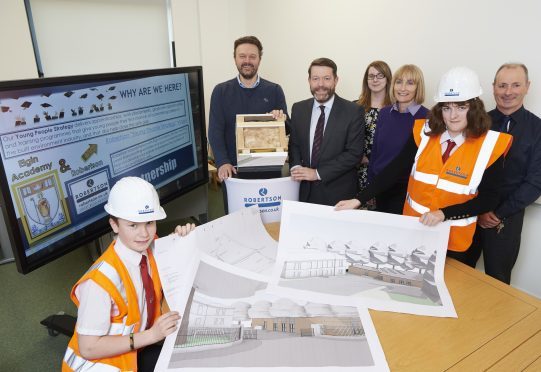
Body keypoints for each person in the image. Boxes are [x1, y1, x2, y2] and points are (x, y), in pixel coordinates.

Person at [336, 67, 513, 254]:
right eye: (447, 108)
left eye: (461, 107)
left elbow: (489, 199)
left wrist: (444, 214)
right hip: (415, 232)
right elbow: (393, 170)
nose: (453, 116)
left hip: (454, 242)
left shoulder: (491, 145)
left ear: (474, 109)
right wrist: (358, 199)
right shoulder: (424, 133)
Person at [62, 177, 196, 372]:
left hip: (137, 350)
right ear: (114, 225)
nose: (144, 234)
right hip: (104, 364)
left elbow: (171, 266)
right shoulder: (100, 283)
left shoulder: (149, 247)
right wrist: (151, 336)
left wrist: (179, 242)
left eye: (149, 222)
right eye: (133, 225)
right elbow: (88, 348)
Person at [457, 63, 541, 284]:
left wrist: (496, 214)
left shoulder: (537, 129)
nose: (508, 92)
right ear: (493, 87)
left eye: (515, 85)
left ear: (527, 87)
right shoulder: (474, 122)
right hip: (467, 212)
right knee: (457, 273)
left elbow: (535, 181)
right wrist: (478, 209)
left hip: (505, 218)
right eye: (502, 85)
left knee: (498, 280)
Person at [208, 35, 288, 181]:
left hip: (269, 169)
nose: (247, 61)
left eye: (252, 56)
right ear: (235, 59)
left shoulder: (275, 90)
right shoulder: (220, 92)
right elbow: (215, 131)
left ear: (259, 59)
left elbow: (287, 128)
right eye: (242, 56)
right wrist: (222, 162)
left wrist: (281, 119)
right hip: (232, 170)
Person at [289, 57, 364, 206]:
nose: (320, 84)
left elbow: (354, 154)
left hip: (339, 195)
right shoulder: (298, 109)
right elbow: (294, 144)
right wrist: (297, 167)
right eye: (315, 78)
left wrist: (317, 174)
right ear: (309, 80)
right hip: (304, 192)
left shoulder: (353, 111)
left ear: (336, 80)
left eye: (327, 78)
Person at [367, 64, 429, 214]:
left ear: (418, 87)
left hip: (407, 189)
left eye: (410, 83)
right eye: (399, 82)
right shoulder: (384, 113)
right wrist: (370, 187)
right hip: (380, 185)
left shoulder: (427, 117)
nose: (403, 88)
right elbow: (376, 152)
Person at [355, 61, 392, 197]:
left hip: (383, 172)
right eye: (371, 76)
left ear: (388, 79)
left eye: (380, 75)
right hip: (356, 171)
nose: (375, 80)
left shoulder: (395, 110)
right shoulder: (355, 108)